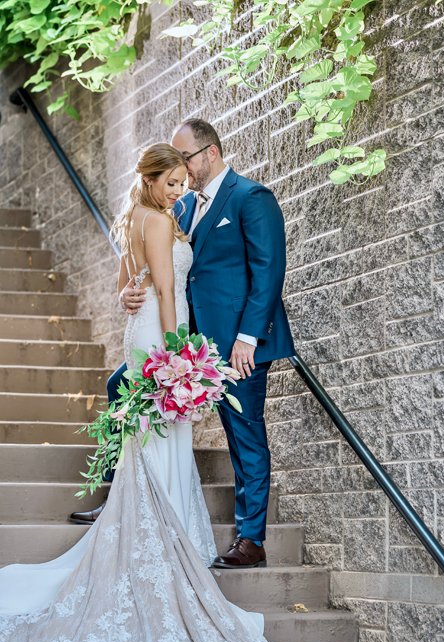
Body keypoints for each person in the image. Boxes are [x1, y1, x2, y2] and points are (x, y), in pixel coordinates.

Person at [0, 143, 331, 642]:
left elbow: (259, 269)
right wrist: (174, 346)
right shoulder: (161, 215)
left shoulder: (233, 201)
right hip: (167, 337)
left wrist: (222, 334)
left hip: (213, 338)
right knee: (153, 435)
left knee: (209, 438)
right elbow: (161, 282)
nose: (181, 188)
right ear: (153, 180)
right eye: (171, 180)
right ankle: (149, 524)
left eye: (185, 176)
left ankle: (245, 536)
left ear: (205, 155)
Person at [72, 119, 295, 571]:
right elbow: (160, 269)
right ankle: (121, 498)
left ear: (210, 152)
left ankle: (251, 539)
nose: (182, 169)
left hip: (237, 347)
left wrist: (248, 339)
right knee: (122, 388)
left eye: (186, 158)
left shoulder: (252, 198)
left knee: (244, 432)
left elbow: (269, 272)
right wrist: (127, 293)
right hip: (184, 340)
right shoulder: (182, 204)